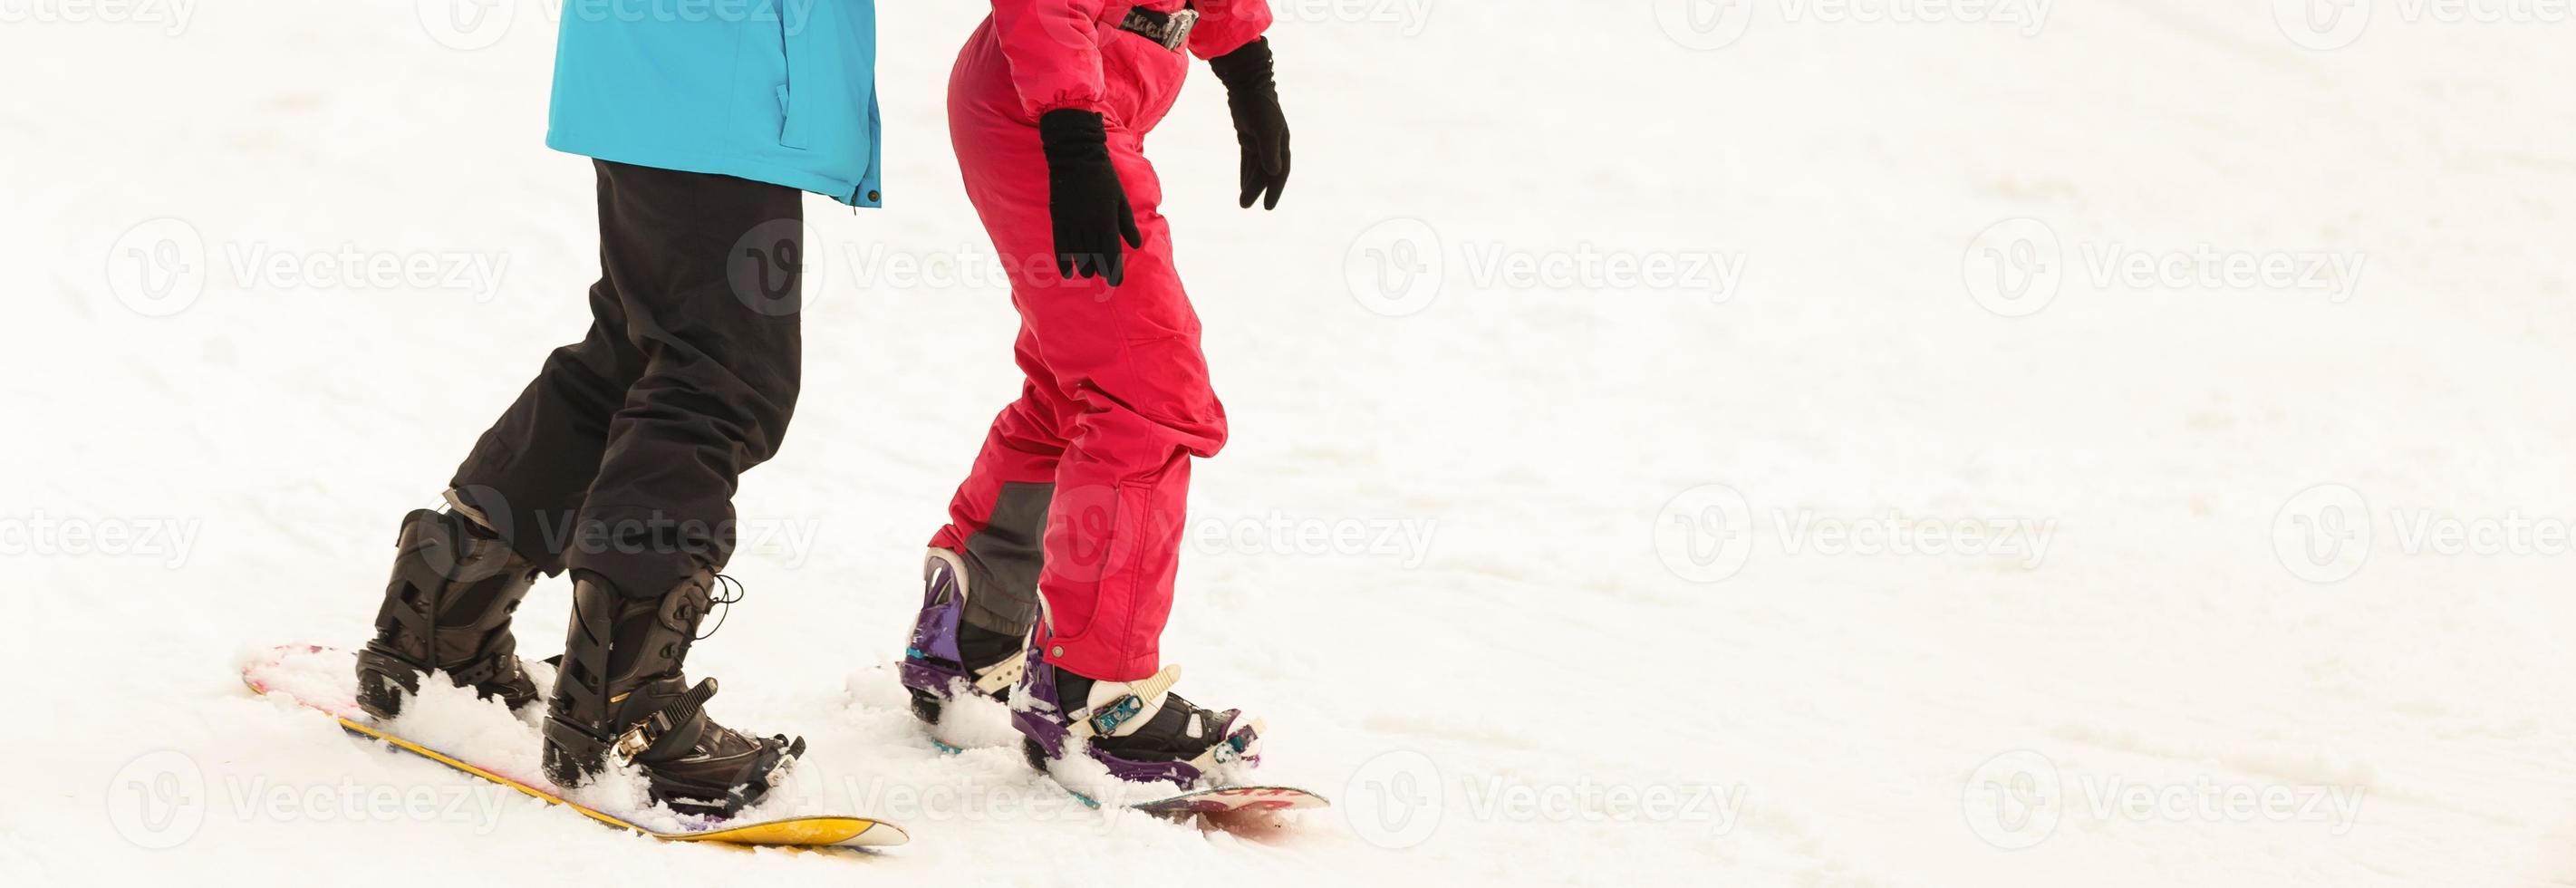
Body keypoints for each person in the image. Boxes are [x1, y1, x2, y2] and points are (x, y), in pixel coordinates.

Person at [351, 1, 883, 816]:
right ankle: (621, 705)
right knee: (722, 376)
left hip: (675, 69)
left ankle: (442, 620)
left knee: (643, 346)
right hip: (725, 70)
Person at [899, 0, 1292, 787]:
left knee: (1075, 386)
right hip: (1049, 109)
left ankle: (972, 635)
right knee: (1146, 400)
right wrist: (1072, 136)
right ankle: (1094, 696)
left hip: (1071, 101)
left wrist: (1248, 69)